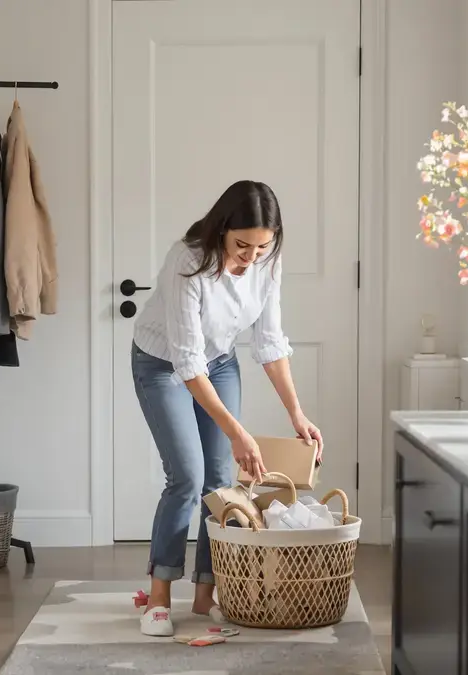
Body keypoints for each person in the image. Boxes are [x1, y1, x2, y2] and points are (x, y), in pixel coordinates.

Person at [130, 179, 324, 637]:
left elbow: (270, 342)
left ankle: (205, 595)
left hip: (218, 362)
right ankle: (158, 596)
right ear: (221, 230)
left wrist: (297, 414)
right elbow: (185, 360)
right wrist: (239, 432)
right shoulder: (188, 260)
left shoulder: (267, 260)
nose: (251, 256)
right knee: (188, 477)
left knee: (220, 481)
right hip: (163, 363)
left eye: (261, 247)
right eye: (242, 245)